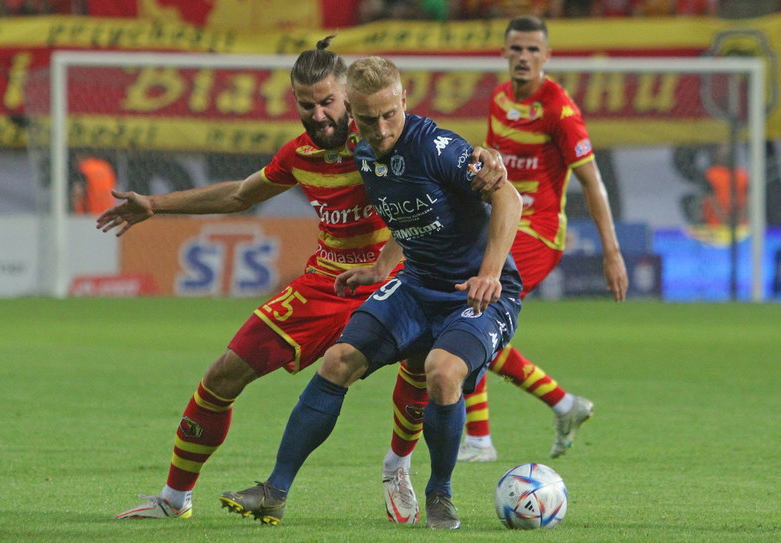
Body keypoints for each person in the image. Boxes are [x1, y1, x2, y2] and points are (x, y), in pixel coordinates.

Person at [101, 36, 507, 521]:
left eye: (328, 103)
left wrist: (486, 157)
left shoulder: (384, 134)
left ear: (350, 99)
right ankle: (174, 498)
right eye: (306, 104)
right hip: (329, 281)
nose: (318, 115)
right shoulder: (301, 154)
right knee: (223, 375)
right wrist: (155, 204)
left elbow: (438, 176)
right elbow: (238, 196)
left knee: (425, 371)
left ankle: (400, 464)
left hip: (400, 275)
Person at [218, 56, 524, 530]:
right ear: (351, 114)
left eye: (389, 115)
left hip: (476, 293)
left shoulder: (438, 147)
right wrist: (380, 266)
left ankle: (440, 494)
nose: (380, 129)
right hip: (416, 284)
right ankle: (274, 492)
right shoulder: (363, 152)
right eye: (367, 119)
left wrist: (490, 273)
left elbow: (508, 196)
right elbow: (408, 212)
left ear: (404, 100)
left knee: (441, 373)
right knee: (338, 360)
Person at [381, 16, 629, 509]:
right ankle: (552, 408)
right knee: (467, 317)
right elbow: (493, 166)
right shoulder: (499, 99)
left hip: (537, 233)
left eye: (533, 49)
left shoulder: (560, 109)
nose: (523, 56)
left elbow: (592, 182)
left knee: (474, 310)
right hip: (499, 221)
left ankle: (485, 436)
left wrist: (612, 250)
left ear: (547, 56)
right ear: (504, 51)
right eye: (516, 47)